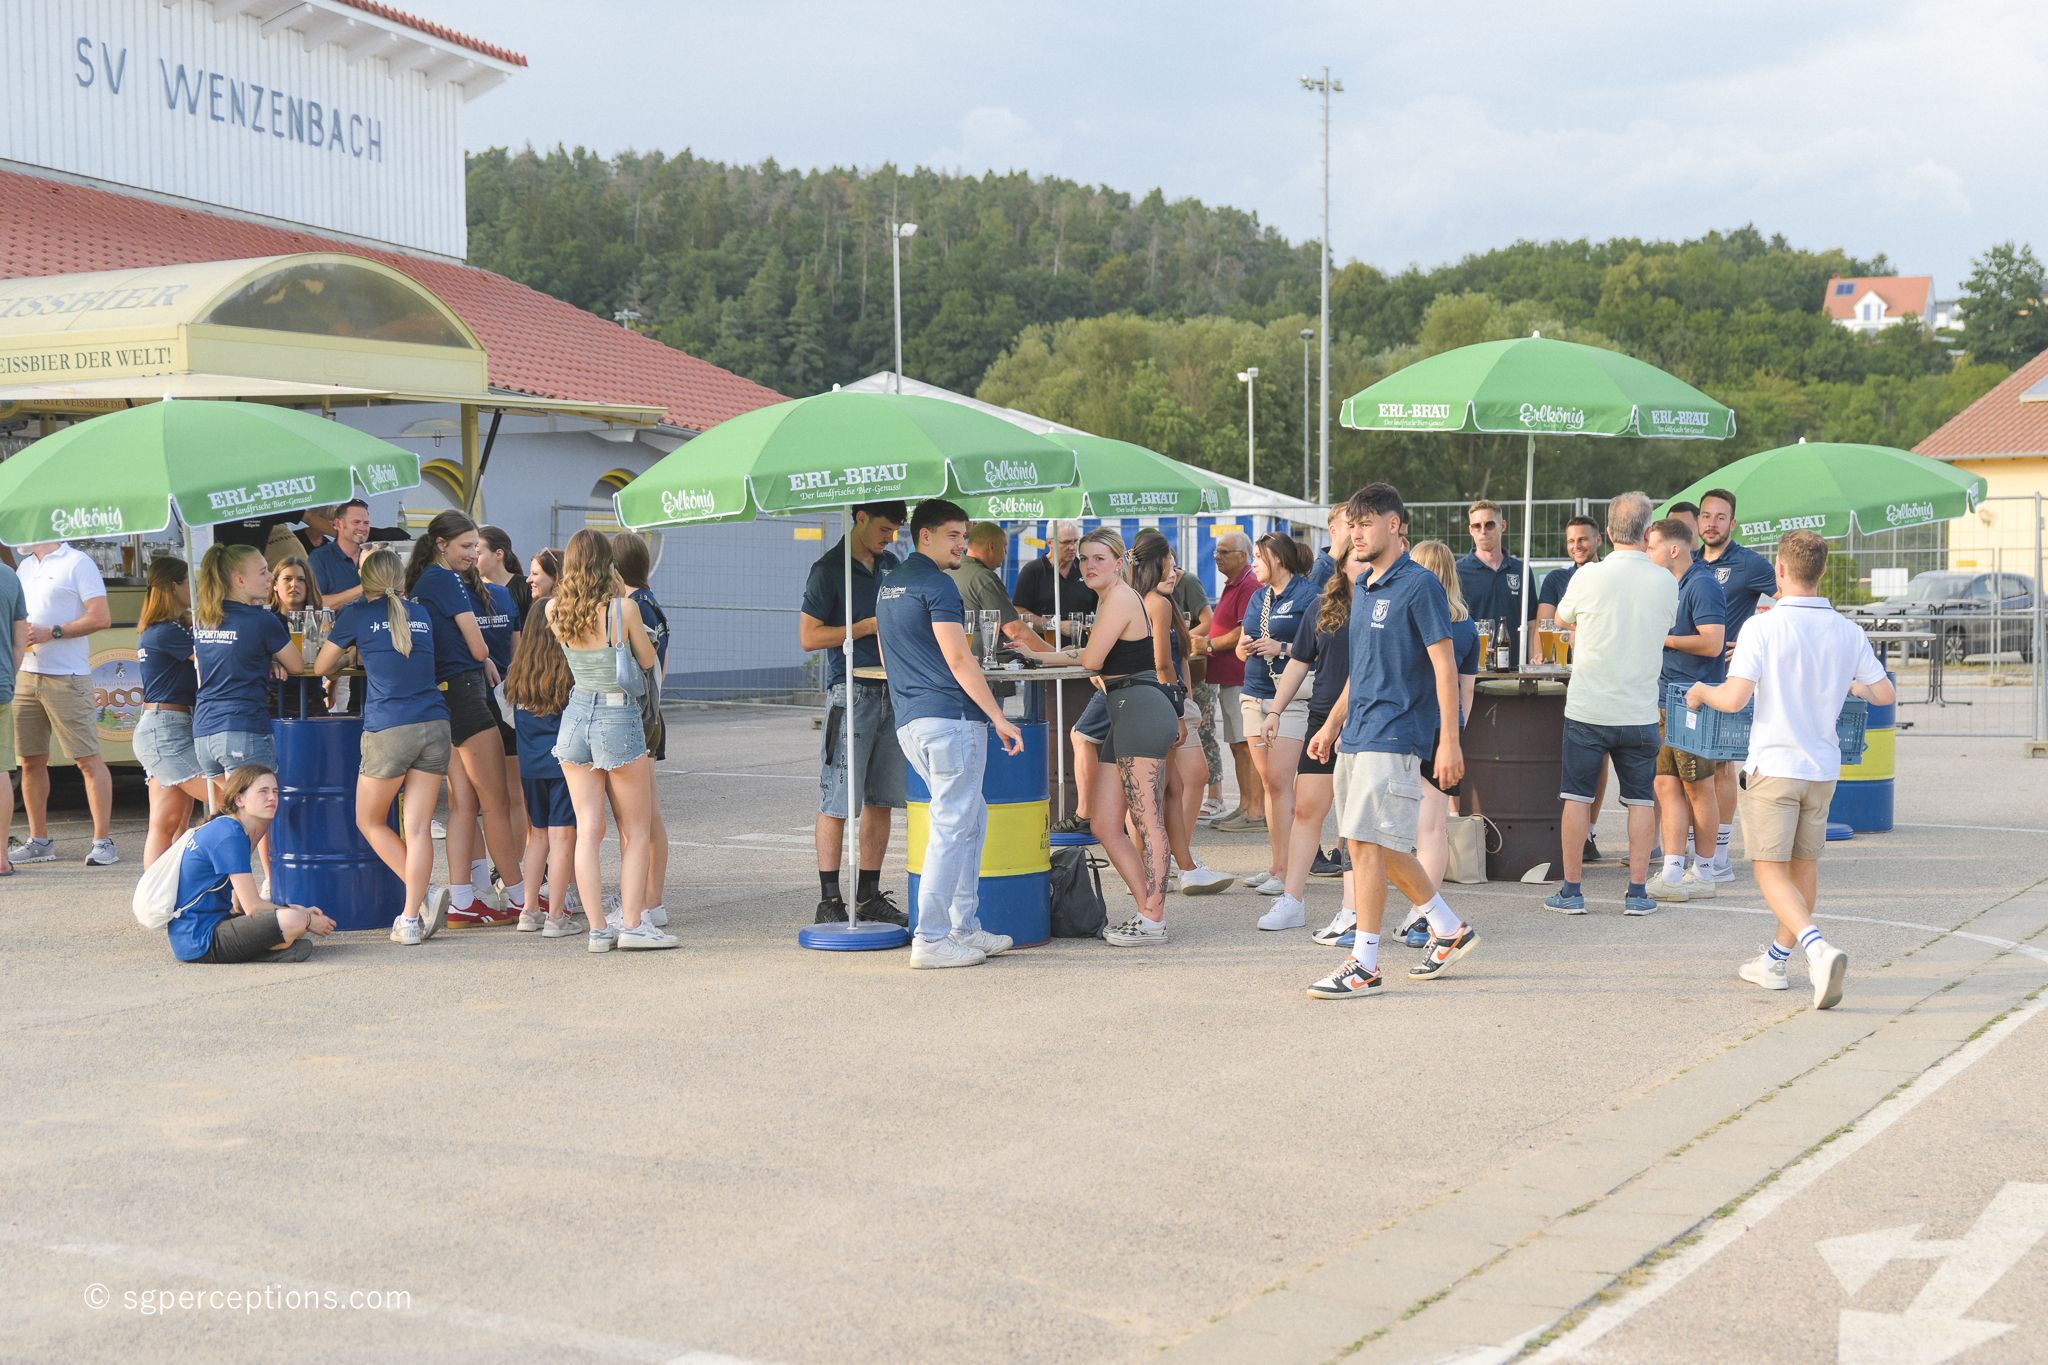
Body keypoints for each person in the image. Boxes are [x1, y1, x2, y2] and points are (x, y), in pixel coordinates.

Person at [1685, 531, 1894, 1011]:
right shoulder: (1847, 631)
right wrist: (1854, 687)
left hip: (1775, 764)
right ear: (1822, 571)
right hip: (1822, 768)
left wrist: (1700, 691)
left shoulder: (1762, 627)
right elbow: (1884, 693)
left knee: (1768, 870)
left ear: (1780, 570)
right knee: (1803, 869)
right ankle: (1776, 961)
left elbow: (1733, 698)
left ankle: (1817, 949)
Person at [1304, 483, 1476, 998]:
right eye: (1351, 525)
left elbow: (1444, 667)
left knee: (1368, 845)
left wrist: (1449, 742)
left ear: (1394, 525)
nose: (1355, 534)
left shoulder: (1420, 585)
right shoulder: (1365, 585)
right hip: (1357, 732)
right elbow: (1360, 670)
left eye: (1366, 524)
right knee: (1370, 843)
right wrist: (1332, 724)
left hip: (1397, 731)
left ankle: (1364, 963)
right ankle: (1448, 928)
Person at [875, 499, 1026, 968]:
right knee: (953, 824)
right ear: (926, 536)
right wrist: (999, 717)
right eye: (954, 535)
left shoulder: (890, 584)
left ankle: (963, 927)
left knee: (969, 817)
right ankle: (932, 938)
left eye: (965, 535)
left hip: (912, 721)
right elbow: (960, 659)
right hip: (950, 720)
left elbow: (886, 653)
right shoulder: (938, 584)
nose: (963, 544)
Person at [1015, 528, 1180, 945]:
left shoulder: (1120, 598)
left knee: (1146, 819)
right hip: (1123, 710)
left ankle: (1154, 920)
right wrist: (1036, 656)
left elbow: (1090, 658)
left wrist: (1040, 656)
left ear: (1120, 563)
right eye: (1085, 558)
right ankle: (1147, 909)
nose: (1088, 566)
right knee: (1106, 824)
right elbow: (1089, 655)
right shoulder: (1110, 599)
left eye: (1099, 559)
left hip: (1140, 709)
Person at [313, 547, 453, 944]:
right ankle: (410, 917)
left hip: (389, 727)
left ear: (365, 581)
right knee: (419, 827)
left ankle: (424, 892)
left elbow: (321, 666)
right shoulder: (420, 614)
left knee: (369, 820)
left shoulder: (356, 614)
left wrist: (349, 658)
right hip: (435, 722)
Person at [1544, 492, 1675, 915]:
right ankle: (1637, 891)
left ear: (1607, 531)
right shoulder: (1664, 580)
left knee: (1576, 798)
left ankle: (1572, 890)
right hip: (1639, 708)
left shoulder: (1587, 576)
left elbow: (1561, 618)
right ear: (1647, 531)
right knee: (1640, 801)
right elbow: (1667, 624)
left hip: (1589, 705)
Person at [548, 529, 676, 952]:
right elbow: (647, 660)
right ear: (608, 564)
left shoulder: (553, 609)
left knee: (588, 831)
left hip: (575, 714)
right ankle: (634, 924)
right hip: (617, 714)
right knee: (635, 831)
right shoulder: (623, 609)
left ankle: (598, 930)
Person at [404, 511, 527, 927]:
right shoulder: (447, 581)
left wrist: (483, 658)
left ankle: (462, 899)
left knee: (464, 804)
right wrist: (486, 656)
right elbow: (477, 647)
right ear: (441, 544)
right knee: (496, 802)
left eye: (476, 546)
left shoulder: (424, 580)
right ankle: (520, 897)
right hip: (465, 695)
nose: (473, 554)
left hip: (444, 695)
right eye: (466, 546)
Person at [798, 501, 909, 928]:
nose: (890, 538)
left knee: (882, 799)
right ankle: (830, 899)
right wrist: (863, 626)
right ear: (860, 518)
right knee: (838, 799)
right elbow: (809, 636)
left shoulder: (891, 565)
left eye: (895, 530)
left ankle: (868, 895)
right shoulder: (828, 569)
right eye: (884, 529)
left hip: (891, 690)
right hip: (851, 692)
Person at [1262, 538, 1360, 942]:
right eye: (1355, 557)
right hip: (1322, 719)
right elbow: (1299, 662)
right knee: (1306, 809)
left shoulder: (1384, 604)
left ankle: (1354, 909)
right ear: (1342, 564)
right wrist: (1275, 710)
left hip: (1367, 721)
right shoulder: (1323, 606)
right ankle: (1292, 899)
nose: (1363, 562)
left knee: (1356, 821)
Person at [1132, 530, 1231, 895]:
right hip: (1162, 702)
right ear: (1154, 565)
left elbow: (1181, 657)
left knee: (1184, 780)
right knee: (1156, 788)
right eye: (1169, 564)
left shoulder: (1162, 600)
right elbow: (1162, 663)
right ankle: (1157, 865)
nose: (1175, 571)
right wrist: (1178, 709)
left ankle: (1177, 859)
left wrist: (1187, 700)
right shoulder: (1154, 603)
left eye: (1175, 564)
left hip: (1172, 700)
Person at [9, 539, 118, 867]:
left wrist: (52, 631)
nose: (15, 538)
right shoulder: (26, 566)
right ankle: (39, 841)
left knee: (87, 759)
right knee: (30, 762)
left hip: (68, 675)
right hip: (27, 674)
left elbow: (101, 617)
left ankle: (103, 842)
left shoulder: (77, 562)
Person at [165, 765, 335, 964]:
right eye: (263, 791)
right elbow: (253, 907)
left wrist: (298, 911)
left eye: (275, 791)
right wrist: (306, 919)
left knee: (293, 915)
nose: (272, 798)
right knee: (293, 921)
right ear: (239, 800)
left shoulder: (229, 827)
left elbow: (239, 905)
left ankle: (271, 947)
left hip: (204, 930)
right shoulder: (229, 835)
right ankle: (267, 950)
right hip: (199, 940)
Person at [1696, 487, 1778, 884]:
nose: (1712, 523)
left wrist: (1749, 641)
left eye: (1720, 517)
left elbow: (1792, 601)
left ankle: (1720, 854)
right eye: (1706, 515)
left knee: (1720, 766)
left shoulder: (1748, 563)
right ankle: (1697, 851)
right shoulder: (1688, 560)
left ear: (1733, 523)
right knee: (1691, 768)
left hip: (1727, 678)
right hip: (1687, 675)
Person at [1235, 532, 1318, 915]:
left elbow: (1319, 648)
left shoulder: (1308, 595)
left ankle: (1287, 871)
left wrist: (1281, 648)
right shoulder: (1259, 596)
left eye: (1258, 557)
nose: (1253, 563)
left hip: (1292, 699)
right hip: (1254, 694)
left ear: (1277, 559)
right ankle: (1276, 865)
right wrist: (1243, 648)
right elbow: (1243, 642)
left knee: (1281, 783)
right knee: (1270, 784)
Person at [1646, 517, 1726, 904]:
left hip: (1694, 699)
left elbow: (1712, 643)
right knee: (1666, 784)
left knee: (1698, 786)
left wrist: (1665, 639)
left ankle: (1706, 871)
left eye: (1652, 547)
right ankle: (1673, 871)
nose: (1647, 554)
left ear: (1673, 549)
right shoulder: (1669, 585)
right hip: (1666, 698)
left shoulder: (1703, 584)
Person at [1408, 540, 1482, 943]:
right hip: (1444, 729)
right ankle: (1423, 915)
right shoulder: (1466, 626)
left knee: (1394, 826)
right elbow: (1466, 690)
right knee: (1433, 826)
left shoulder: (1410, 615)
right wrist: (1456, 732)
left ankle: (1419, 914)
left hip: (1407, 724)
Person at [192, 544, 300, 799]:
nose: (270, 577)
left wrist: (265, 660)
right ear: (239, 580)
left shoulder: (204, 618)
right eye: (263, 572)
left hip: (204, 732)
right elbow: (296, 665)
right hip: (243, 727)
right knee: (259, 808)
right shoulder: (262, 620)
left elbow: (227, 658)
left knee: (236, 809)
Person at [504, 602, 582, 938]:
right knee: (562, 837)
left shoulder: (519, 672)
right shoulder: (568, 668)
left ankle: (529, 910)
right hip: (563, 764)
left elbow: (507, 712)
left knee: (537, 835)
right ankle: (556, 916)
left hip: (530, 766)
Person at [1534, 515, 1610, 860]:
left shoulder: (1609, 575)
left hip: (1599, 675)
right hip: (1562, 675)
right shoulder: (1556, 578)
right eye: (1571, 541)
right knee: (1563, 753)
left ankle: (1589, 832)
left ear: (1598, 540)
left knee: (1599, 756)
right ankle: (1561, 829)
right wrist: (1540, 655)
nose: (1577, 546)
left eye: (1583, 539)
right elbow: (1545, 625)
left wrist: (1576, 631)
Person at [131, 557, 212, 867]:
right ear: (174, 586)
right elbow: (210, 660)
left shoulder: (164, 628)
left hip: (166, 725)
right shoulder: (166, 631)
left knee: (169, 821)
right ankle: (160, 889)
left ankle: (163, 887)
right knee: (226, 799)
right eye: (189, 583)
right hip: (166, 729)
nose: (195, 590)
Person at [609, 530, 669, 929]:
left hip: (639, 716)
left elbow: (641, 666)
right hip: (650, 714)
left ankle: (647, 900)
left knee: (640, 818)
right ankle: (645, 898)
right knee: (644, 816)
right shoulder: (649, 602)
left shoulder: (634, 607)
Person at [1202, 532, 1261, 832]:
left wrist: (1209, 645)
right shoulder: (1236, 583)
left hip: (1240, 676)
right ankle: (1245, 805)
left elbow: (1243, 631)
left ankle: (1254, 811)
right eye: (1217, 551)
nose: (1217, 557)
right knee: (1238, 745)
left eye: (1224, 552)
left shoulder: (1248, 585)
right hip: (1230, 676)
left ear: (1242, 556)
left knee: (1246, 746)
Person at [947, 522, 1033, 699]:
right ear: (992, 546)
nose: (1006, 553)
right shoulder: (984, 577)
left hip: (954, 667)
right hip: (986, 672)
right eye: (1004, 547)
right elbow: (1015, 630)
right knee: (990, 716)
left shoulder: (950, 570)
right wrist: (1054, 653)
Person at [1169, 557, 1224, 822]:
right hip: (1181, 669)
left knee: (1204, 730)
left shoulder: (1187, 581)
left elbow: (1208, 622)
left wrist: (1182, 637)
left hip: (1193, 667)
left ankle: (1216, 795)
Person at [1457, 499, 1531, 666]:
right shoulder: (1458, 571)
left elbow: (1531, 621)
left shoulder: (1521, 570)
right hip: (1473, 669)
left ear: (1502, 526)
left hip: (1515, 666)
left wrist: (1532, 665)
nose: (1483, 531)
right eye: (1477, 526)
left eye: (1489, 525)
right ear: (1470, 530)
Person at [266, 554, 328, 718]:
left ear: (309, 585)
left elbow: (333, 670)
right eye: (287, 579)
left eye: (301, 580)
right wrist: (270, 662)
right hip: (274, 702)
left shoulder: (321, 620)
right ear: (275, 584)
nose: (294, 584)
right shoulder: (266, 620)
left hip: (313, 702)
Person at [1011, 520, 1095, 637]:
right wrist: (1056, 625)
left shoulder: (1086, 569)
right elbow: (1019, 612)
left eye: (1075, 541)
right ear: (1050, 543)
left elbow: (1100, 608)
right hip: (1042, 646)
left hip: (1081, 646)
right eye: (1066, 542)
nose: (1072, 547)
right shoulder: (1032, 571)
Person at [0, 555, 30, 876]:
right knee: (0, 771)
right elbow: (21, 638)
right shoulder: (9, 575)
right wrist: (8, 673)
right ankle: (0, 856)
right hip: (1, 683)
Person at [311, 500, 373, 609]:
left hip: (373, 619)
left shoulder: (374, 557)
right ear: (338, 524)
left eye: (366, 523)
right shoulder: (320, 558)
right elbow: (316, 604)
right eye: (356, 522)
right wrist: (363, 588)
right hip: (337, 620)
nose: (362, 528)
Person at [1308, 504, 1353, 589]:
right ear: (1333, 530)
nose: (1357, 532)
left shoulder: (1361, 566)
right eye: (1351, 526)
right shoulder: (1319, 574)